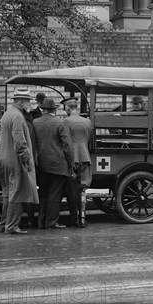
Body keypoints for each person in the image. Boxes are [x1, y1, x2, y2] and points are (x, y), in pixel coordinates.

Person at [0, 88, 39, 234]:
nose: (29, 104)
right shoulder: (18, 116)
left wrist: (4, 141)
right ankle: (12, 226)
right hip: (14, 160)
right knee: (17, 192)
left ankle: (4, 224)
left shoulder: (8, 113)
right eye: (27, 101)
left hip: (2, 158)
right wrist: (26, 159)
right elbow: (20, 142)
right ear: (21, 102)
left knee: (7, 193)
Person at [32, 98, 74, 229]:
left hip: (41, 165)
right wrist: (70, 163)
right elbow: (67, 145)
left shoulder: (35, 122)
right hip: (58, 165)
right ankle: (52, 222)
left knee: (43, 194)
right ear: (54, 110)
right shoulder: (60, 122)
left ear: (43, 110)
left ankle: (41, 221)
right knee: (55, 195)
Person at [62, 96, 93, 228]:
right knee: (83, 189)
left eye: (65, 108)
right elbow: (89, 140)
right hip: (85, 157)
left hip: (71, 159)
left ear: (68, 108)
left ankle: (73, 219)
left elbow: (64, 142)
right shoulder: (87, 122)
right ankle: (83, 218)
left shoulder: (65, 122)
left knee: (71, 190)